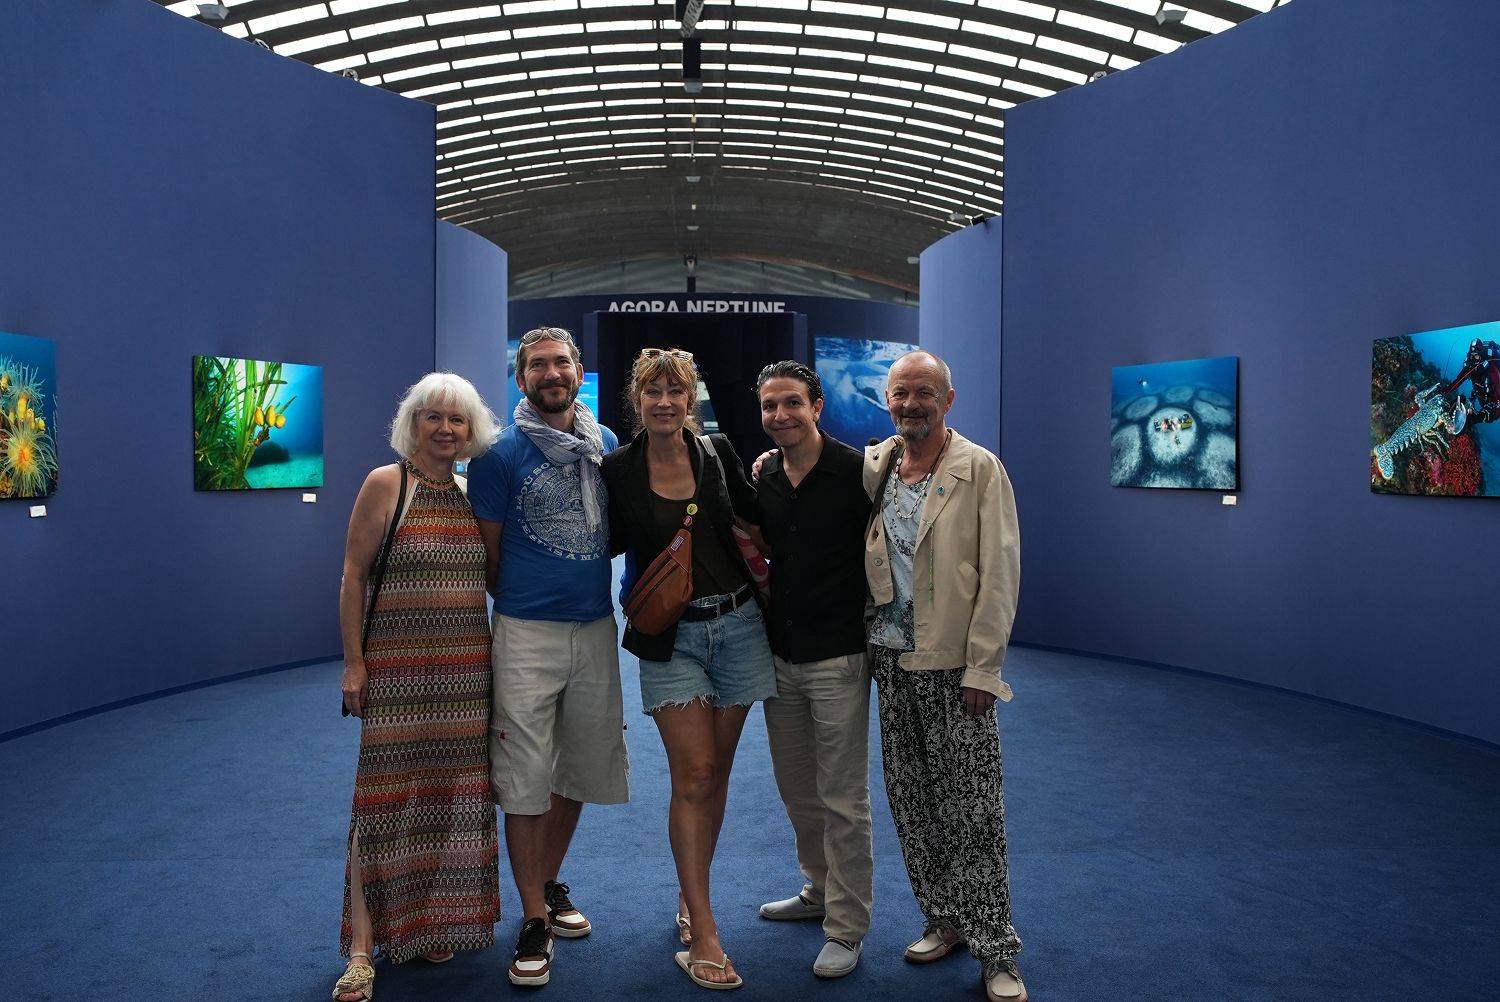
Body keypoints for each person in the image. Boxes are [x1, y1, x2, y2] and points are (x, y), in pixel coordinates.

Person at [600, 347, 776, 991]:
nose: (665, 402)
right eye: (653, 392)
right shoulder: (617, 469)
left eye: (676, 391)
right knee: (695, 773)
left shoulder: (718, 451)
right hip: (672, 640)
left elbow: (759, 519)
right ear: (637, 401)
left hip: (741, 629)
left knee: (715, 775)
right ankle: (704, 928)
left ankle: (689, 891)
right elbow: (604, 542)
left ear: (691, 398)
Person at [465, 326, 631, 988]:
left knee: (578, 767)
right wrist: (530, 599)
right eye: (538, 365)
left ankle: (546, 881)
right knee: (525, 774)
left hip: (594, 628)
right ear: (521, 379)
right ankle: (534, 915)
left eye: (562, 362)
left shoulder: (604, 441)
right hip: (526, 631)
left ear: (579, 371)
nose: (552, 373)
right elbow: (490, 555)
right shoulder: (497, 454)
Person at [864, 350, 1029, 1002]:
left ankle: (997, 949)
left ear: (948, 400)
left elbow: (1001, 574)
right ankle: (944, 918)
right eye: (901, 393)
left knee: (972, 812)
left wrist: (985, 668)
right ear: (888, 400)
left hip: (955, 666)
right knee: (912, 804)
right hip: (889, 661)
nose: (912, 404)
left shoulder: (980, 468)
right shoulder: (878, 466)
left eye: (924, 393)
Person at [333, 372, 502, 1002]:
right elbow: (352, 578)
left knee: (448, 801)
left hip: (465, 679)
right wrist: (354, 663)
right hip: (397, 676)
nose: (445, 429)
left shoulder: (470, 493)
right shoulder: (387, 484)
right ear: (413, 423)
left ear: (471, 429)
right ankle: (362, 947)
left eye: (457, 419)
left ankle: (425, 923)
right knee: (380, 804)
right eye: (433, 417)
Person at [751, 360, 876, 979]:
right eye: (770, 406)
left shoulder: (859, 473)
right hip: (780, 658)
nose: (781, 415)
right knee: (798, 789)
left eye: (792, 403)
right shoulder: (765, 476)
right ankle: (819, 889)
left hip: (840, 656)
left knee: (843, 799)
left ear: (817, 406)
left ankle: (847, 928)